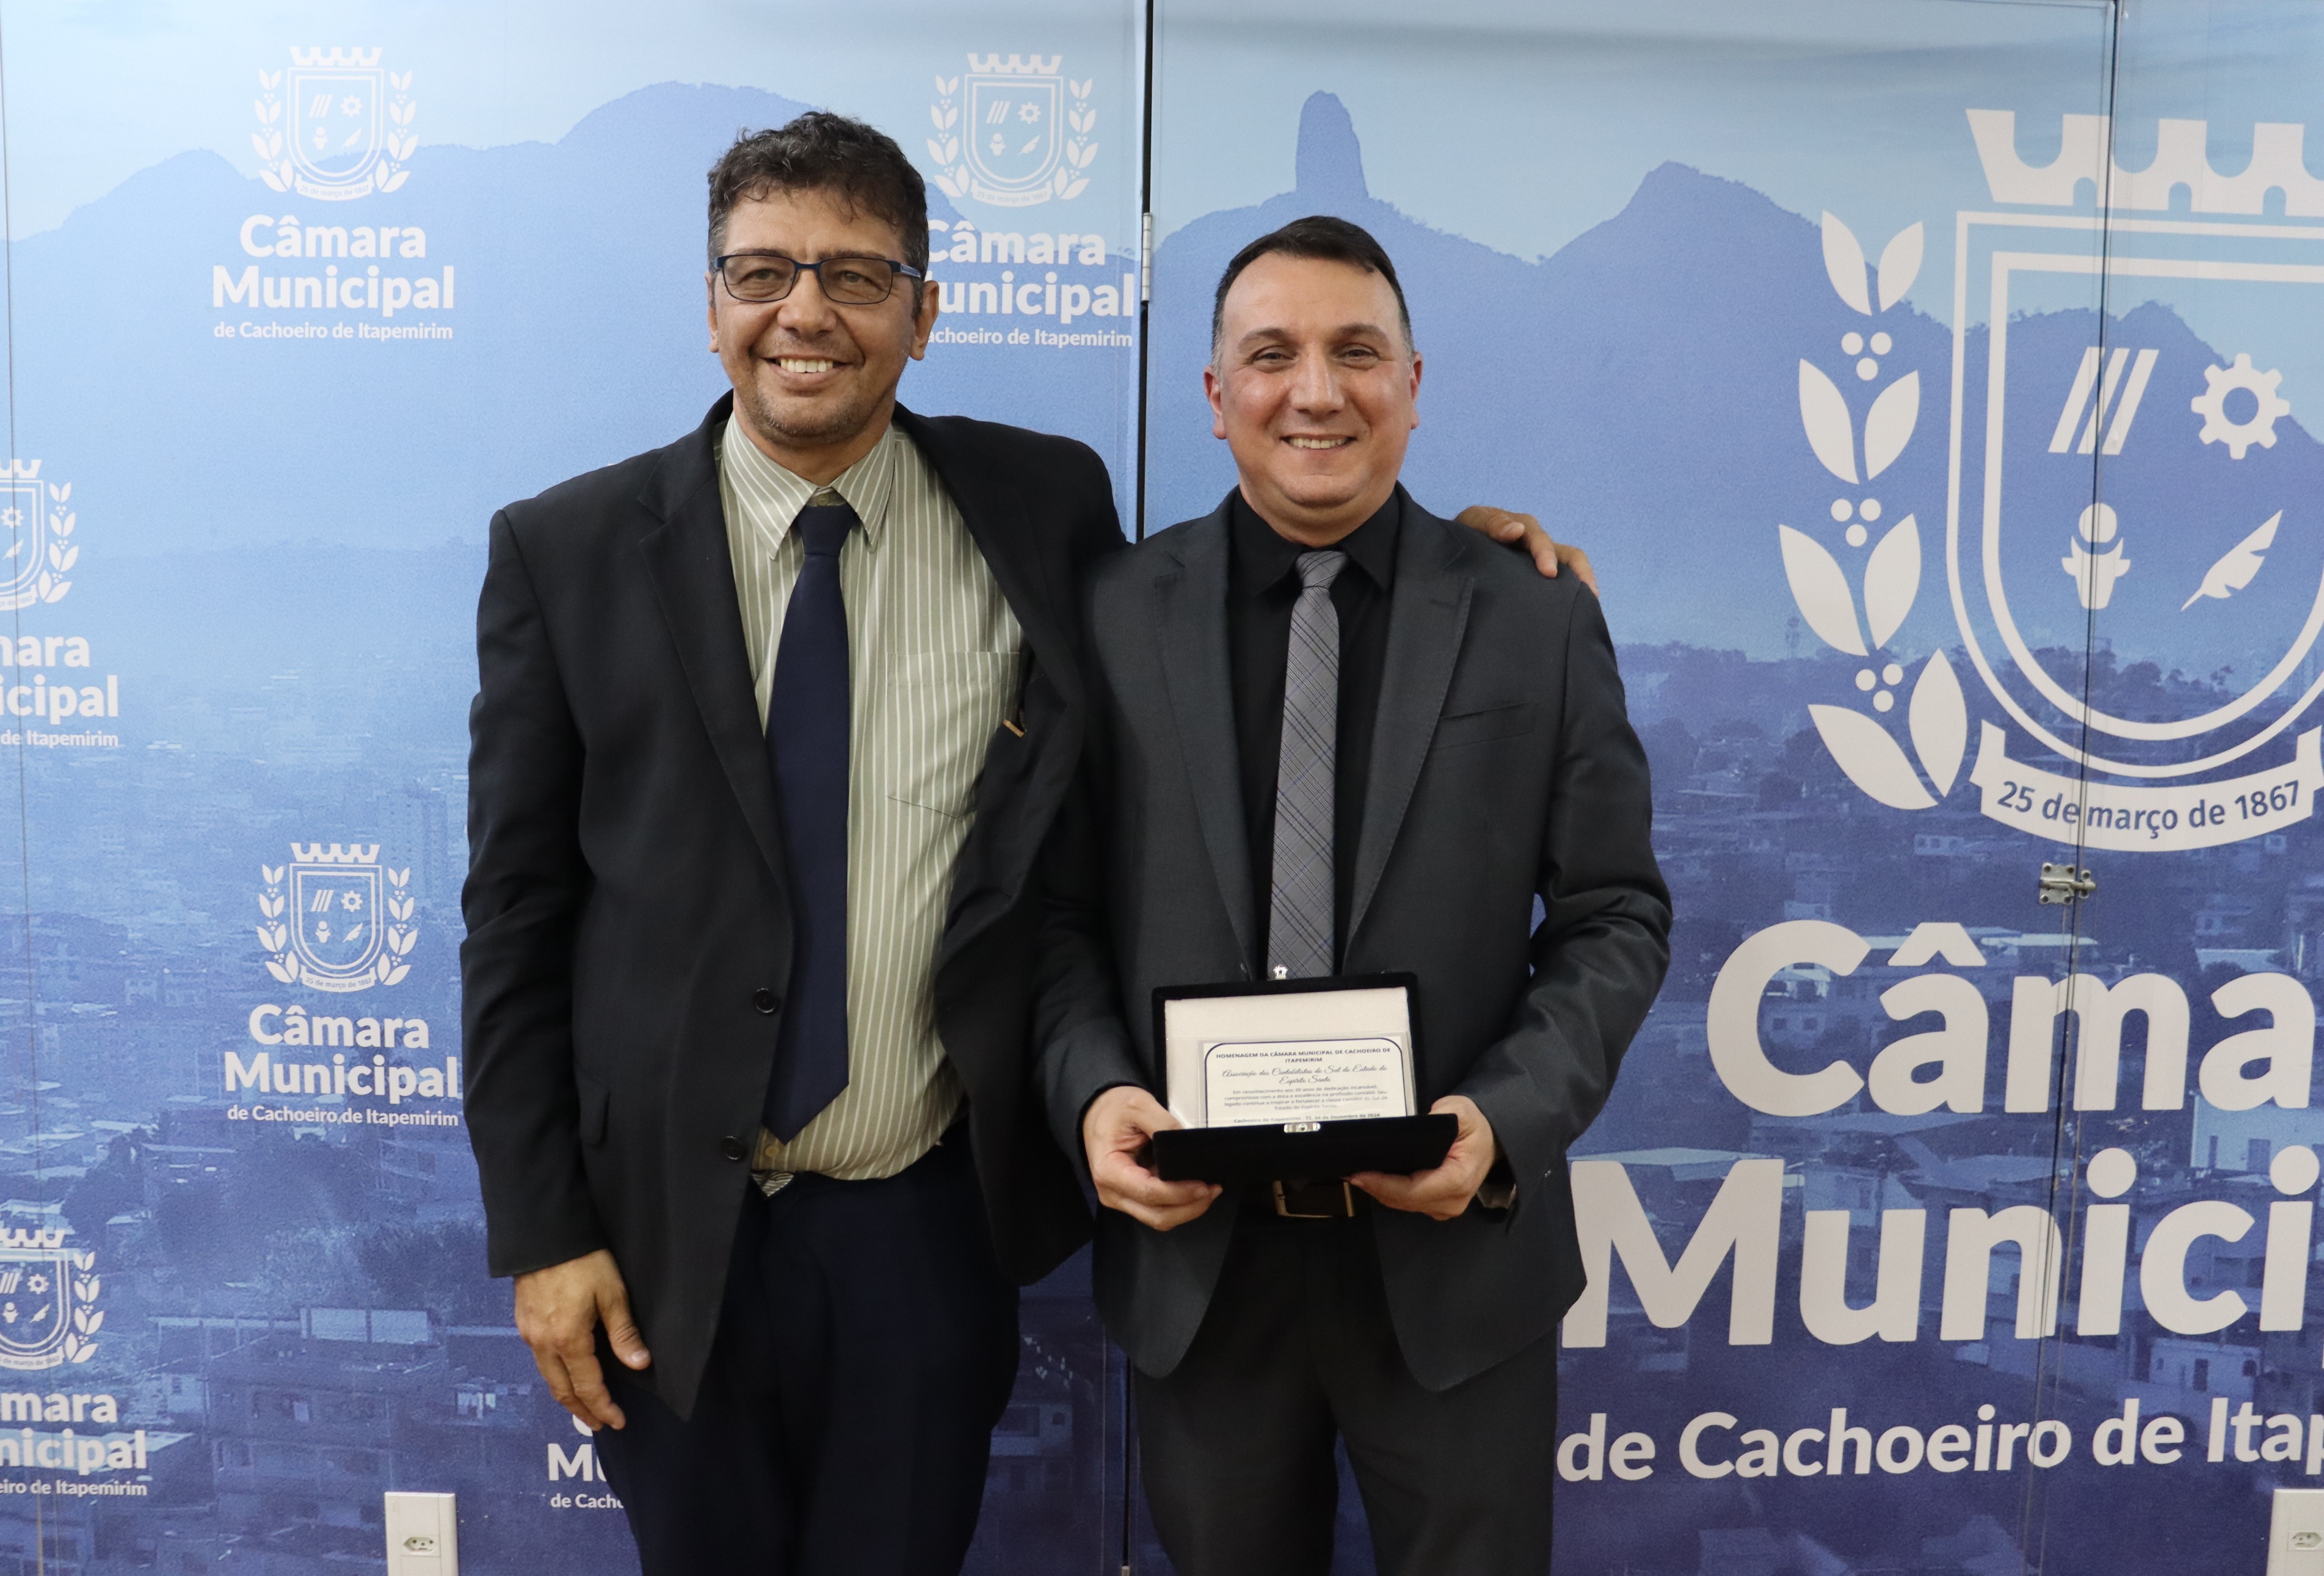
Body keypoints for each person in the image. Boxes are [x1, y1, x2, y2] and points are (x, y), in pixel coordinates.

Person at [462, 110, 1591, 1576]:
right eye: (761, 271)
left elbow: (1269, 602)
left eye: (855, 276)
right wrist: (541, 1232)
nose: (804, 311)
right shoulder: (563, 552)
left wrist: (1458, 561)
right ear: (712, 301)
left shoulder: (1042, 510)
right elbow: (514, 923)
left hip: (923, 1225)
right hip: (662, 1236)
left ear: (923, 314)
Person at [1034, 216, 1672, 1576]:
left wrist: (1499, 1124)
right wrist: (1092, 1093)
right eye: (1272, 355)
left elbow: (1615, 917)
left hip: (1457, 1265)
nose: (1315, 391)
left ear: (1413, 384)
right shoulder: (1109, 614)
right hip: (1201, 1266)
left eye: (1357, 352)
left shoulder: (1535, 614)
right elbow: (1052, 917)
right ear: (1216, 396)